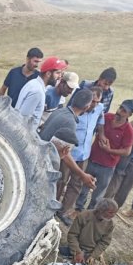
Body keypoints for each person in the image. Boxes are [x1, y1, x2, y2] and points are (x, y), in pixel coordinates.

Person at [40, 89, 97, 217]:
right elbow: (64, 154)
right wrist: (82, 175)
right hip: (44, 165)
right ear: (87, 106)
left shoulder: (60, 111)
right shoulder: (70, 123)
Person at [75, 99, 133, 211]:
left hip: (107, 166)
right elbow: (95, 126)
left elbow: (127, 151)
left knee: (98, 193)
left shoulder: (129, 130)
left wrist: (109, 150)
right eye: (120, 107)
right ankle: (78, 208)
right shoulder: (107, 117)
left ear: (129, 114)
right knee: (83, 187)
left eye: (124, 111)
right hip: (92, 158)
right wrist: (101, 134)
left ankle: (90, 213)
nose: (120, 111)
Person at [57, 86, 105, 224]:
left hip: (84, 154)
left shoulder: (100, 109)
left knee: (76, 184)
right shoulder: (75, 112)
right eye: (93, 101)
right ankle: (51, 207)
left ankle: (64, 211)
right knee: (61, 181)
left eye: (97, 102)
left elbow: (100, 122)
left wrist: (101, 134)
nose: (94, 105)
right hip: (69, 153)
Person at [59, 198, 117, 265]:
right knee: (60, 251)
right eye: (110, 212)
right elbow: (72, 235)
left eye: (115, 212)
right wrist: (77, 252)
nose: (113, 215)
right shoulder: (84, 216)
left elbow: (104, 242)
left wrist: (93, 256)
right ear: (101, 210)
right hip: (78, 247)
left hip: (91, 252)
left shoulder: (110, 224)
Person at [15, 56, 67, 127]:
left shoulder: (34, 83)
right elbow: (24, 119)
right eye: (57, 73)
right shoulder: (37, 92)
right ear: (48, 74)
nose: (60, 77)